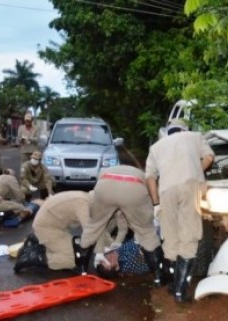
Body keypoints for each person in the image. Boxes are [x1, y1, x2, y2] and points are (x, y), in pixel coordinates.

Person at [145, 118, 215, 303]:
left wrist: (156, 203)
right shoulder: (195, 136)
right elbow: (209, 157)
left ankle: (173, 284)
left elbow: (150, 177)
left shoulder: (156, 147)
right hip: (189, 185)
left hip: (166, 190)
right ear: (184, 129)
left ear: (168, 131)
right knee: (189, 234)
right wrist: (196, 171)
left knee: (170, 236)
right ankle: (180, 291)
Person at [80, 165, 166, 288]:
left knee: (93, 226)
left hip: (105, 186)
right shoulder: (141, 174)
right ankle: (158, 276)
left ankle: (83, 270)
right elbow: (151, 190)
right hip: (134, 186)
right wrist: (155, 204)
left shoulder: (121, 254)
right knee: (146, 231)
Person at [14, 190, 96, 273]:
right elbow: (90, 232)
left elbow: (97, 229)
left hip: (54, 226)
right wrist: (103, 252)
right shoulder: (83, 204)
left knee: (70, 250)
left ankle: (39, 243)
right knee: (70, 259)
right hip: (47, 227)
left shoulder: (86, 198)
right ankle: (32, 257)